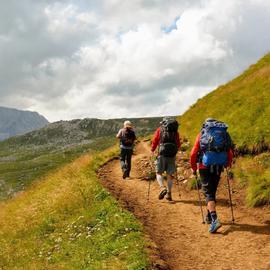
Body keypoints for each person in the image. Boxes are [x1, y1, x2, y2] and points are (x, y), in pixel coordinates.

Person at [190, 118, 233, 233]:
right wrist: (227, 164)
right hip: (219, 166)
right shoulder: (224, 134)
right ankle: (209, 216)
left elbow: (193, 153)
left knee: (208, 193)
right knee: (212, 191)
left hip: (204, 167)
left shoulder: (202, 134)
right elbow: (229, 151)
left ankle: (214, 219)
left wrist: (194, 167)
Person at [151, 117, 181, 201]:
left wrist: (152, 150)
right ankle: (169, 193)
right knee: (170, 175)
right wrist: (175, 151)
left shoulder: (160, 130)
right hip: (172, 155)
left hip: (162, 154)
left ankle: (162, 188)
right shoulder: (175, 132)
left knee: (158, 172)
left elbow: (155, 141)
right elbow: (178, 144)